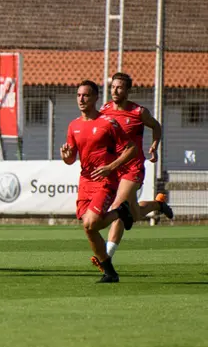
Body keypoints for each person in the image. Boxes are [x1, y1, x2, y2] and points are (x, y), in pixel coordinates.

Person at [94, 72, 174, 270]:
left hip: (133, 167)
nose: (115, 90)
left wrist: (154, 145)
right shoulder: (105, 110)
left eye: (120, 87)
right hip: (114, 169)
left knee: (118, 206)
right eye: (113, 86)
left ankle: (106, 258)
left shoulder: (139, 112)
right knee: (134, 214)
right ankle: (157, 205)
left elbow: (156, 126)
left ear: (128, 91)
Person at [60, 80, 137, 283]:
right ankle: (110, 272)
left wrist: (111, 168)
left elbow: (131, 148)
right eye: (78, 95)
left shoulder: (108, 123)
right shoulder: (74, 125)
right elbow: (70, 160)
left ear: (95, 98)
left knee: (91, 222)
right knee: (89, 228)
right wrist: (66, 156)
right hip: (85, 181)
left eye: (85, 95)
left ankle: (120, 212)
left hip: (105, 180)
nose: (81, 99)